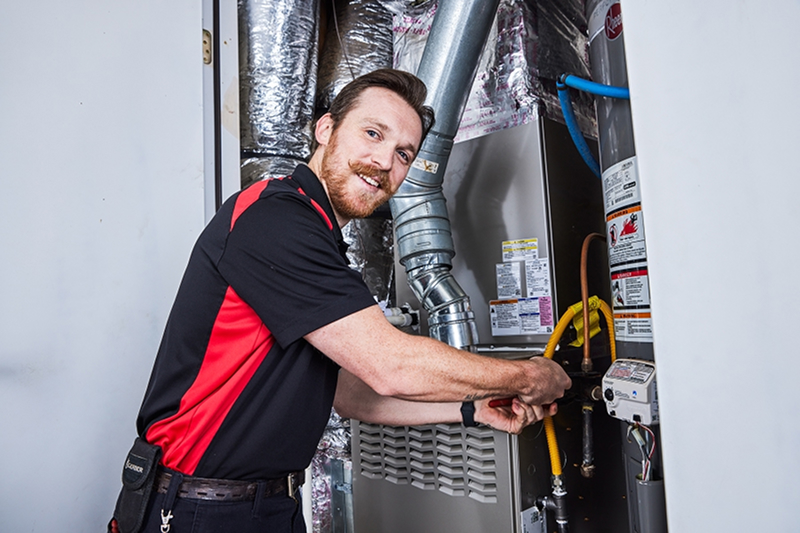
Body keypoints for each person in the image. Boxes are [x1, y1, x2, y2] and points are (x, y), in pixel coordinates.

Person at [110, 68, 571, 533]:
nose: (384, 161)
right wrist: (527, 375)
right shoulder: (275, 219)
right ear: (326, 129)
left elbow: (354, 396)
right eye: (373, 133)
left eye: (403, 153)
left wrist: (474, 408)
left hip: (266, 505)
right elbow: (391, 367)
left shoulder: (321, 241)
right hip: (196, 509)